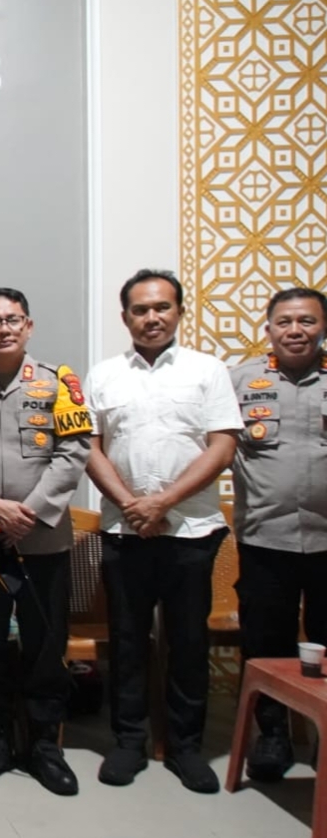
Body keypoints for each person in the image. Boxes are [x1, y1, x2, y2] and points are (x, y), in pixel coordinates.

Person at [86, 269, 242, 793]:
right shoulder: (104, 375)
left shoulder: (207, 370)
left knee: (188, 641)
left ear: (178, 311)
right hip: (124, 529)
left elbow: (222, 446)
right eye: (140, 309)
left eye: (162, 307)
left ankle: (185, 747)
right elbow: (89, 447)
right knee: (128, 640)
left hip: (191, 530)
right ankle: (129, 742)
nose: (151, 317)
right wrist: (131, 504)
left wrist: (163, 501)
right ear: (125, 316)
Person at [0, 288, 91, 796]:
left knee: (46, 642)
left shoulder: (60, 382)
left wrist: (32, 511)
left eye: (12, 319)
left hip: (42, 537)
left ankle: (45, 744)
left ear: (28, 326)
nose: (2, 328)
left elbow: (75, 451)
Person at [229, 287, 327, 781]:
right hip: (265, 538)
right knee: (267, 641)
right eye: (285, 321)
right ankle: (272, 735)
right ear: (268, 329)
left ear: (323, 327)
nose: (295, 330)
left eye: (307, 321)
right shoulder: (241, 380)